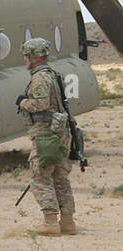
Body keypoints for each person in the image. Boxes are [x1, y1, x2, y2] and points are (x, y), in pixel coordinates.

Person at [16, 37, 76, 235]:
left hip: (46, 133)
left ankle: (50, 223)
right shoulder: (53, 74)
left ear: (33, 56)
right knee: (60, 177)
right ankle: (67, 222)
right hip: (59, 132)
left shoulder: (40, 77)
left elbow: (39, 105)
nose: (25, 60)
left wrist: (23, 102)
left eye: (26, 56)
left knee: (41, 177)